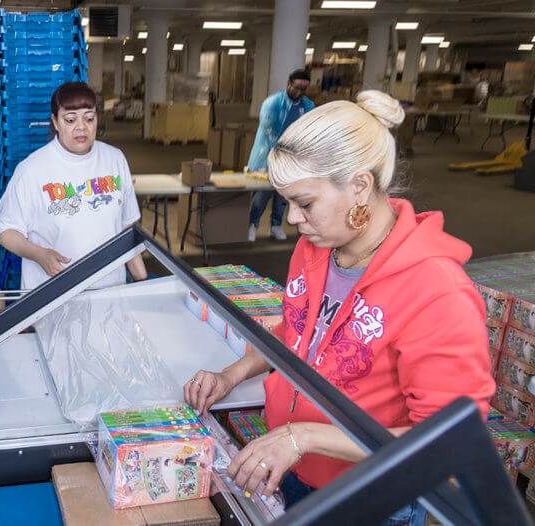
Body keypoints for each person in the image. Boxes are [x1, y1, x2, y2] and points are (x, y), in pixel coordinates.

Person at [185, 91, 495, 525]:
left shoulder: (436, 292)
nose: (292, 219)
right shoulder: (316, 248)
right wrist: (231, 374)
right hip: (294, 468)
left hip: (370, 497)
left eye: (305, 203)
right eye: (287, 202)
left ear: (360, 187)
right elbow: (299, 334)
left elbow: (451, 442)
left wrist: (306, 436)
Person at [0, 81, 147, 289]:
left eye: (89, 118)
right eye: (71, 119)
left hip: (109, 292)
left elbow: (126, 228)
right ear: (55, 122)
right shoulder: (32, 170)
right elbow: (6, 231)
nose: (81, 126)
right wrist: (39, 255)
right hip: (54, 294)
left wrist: (142, 281)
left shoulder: (114, 159)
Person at [247, 69, 313, 242]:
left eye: (303, 89)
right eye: (296, 88)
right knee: (263, 193)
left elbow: (310, 130)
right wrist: (286, 152)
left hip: (292, 159)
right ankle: (252, 224)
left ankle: (275, 225)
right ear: (288, 84)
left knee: (284, 194)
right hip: (266, 156)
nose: (299, 92)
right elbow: (270, 132)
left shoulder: (307, 106)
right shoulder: (272, 103)